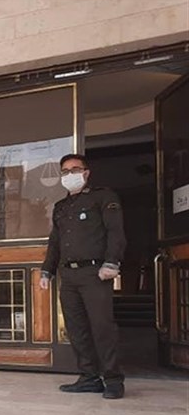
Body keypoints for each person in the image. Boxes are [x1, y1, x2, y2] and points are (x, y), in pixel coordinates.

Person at [40, 154, 126, 399]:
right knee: (76, 329)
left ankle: (112, 380)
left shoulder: (103, 197)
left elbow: (115, 231)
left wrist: (112, 261)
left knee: (102, 327)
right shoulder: (61, 207)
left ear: (86, 172)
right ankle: (89, 377)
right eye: (65, 171)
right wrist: (47, 269)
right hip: (69, 276)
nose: (70, 175)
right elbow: (55, 243)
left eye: (75, 169)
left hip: (95, 273)